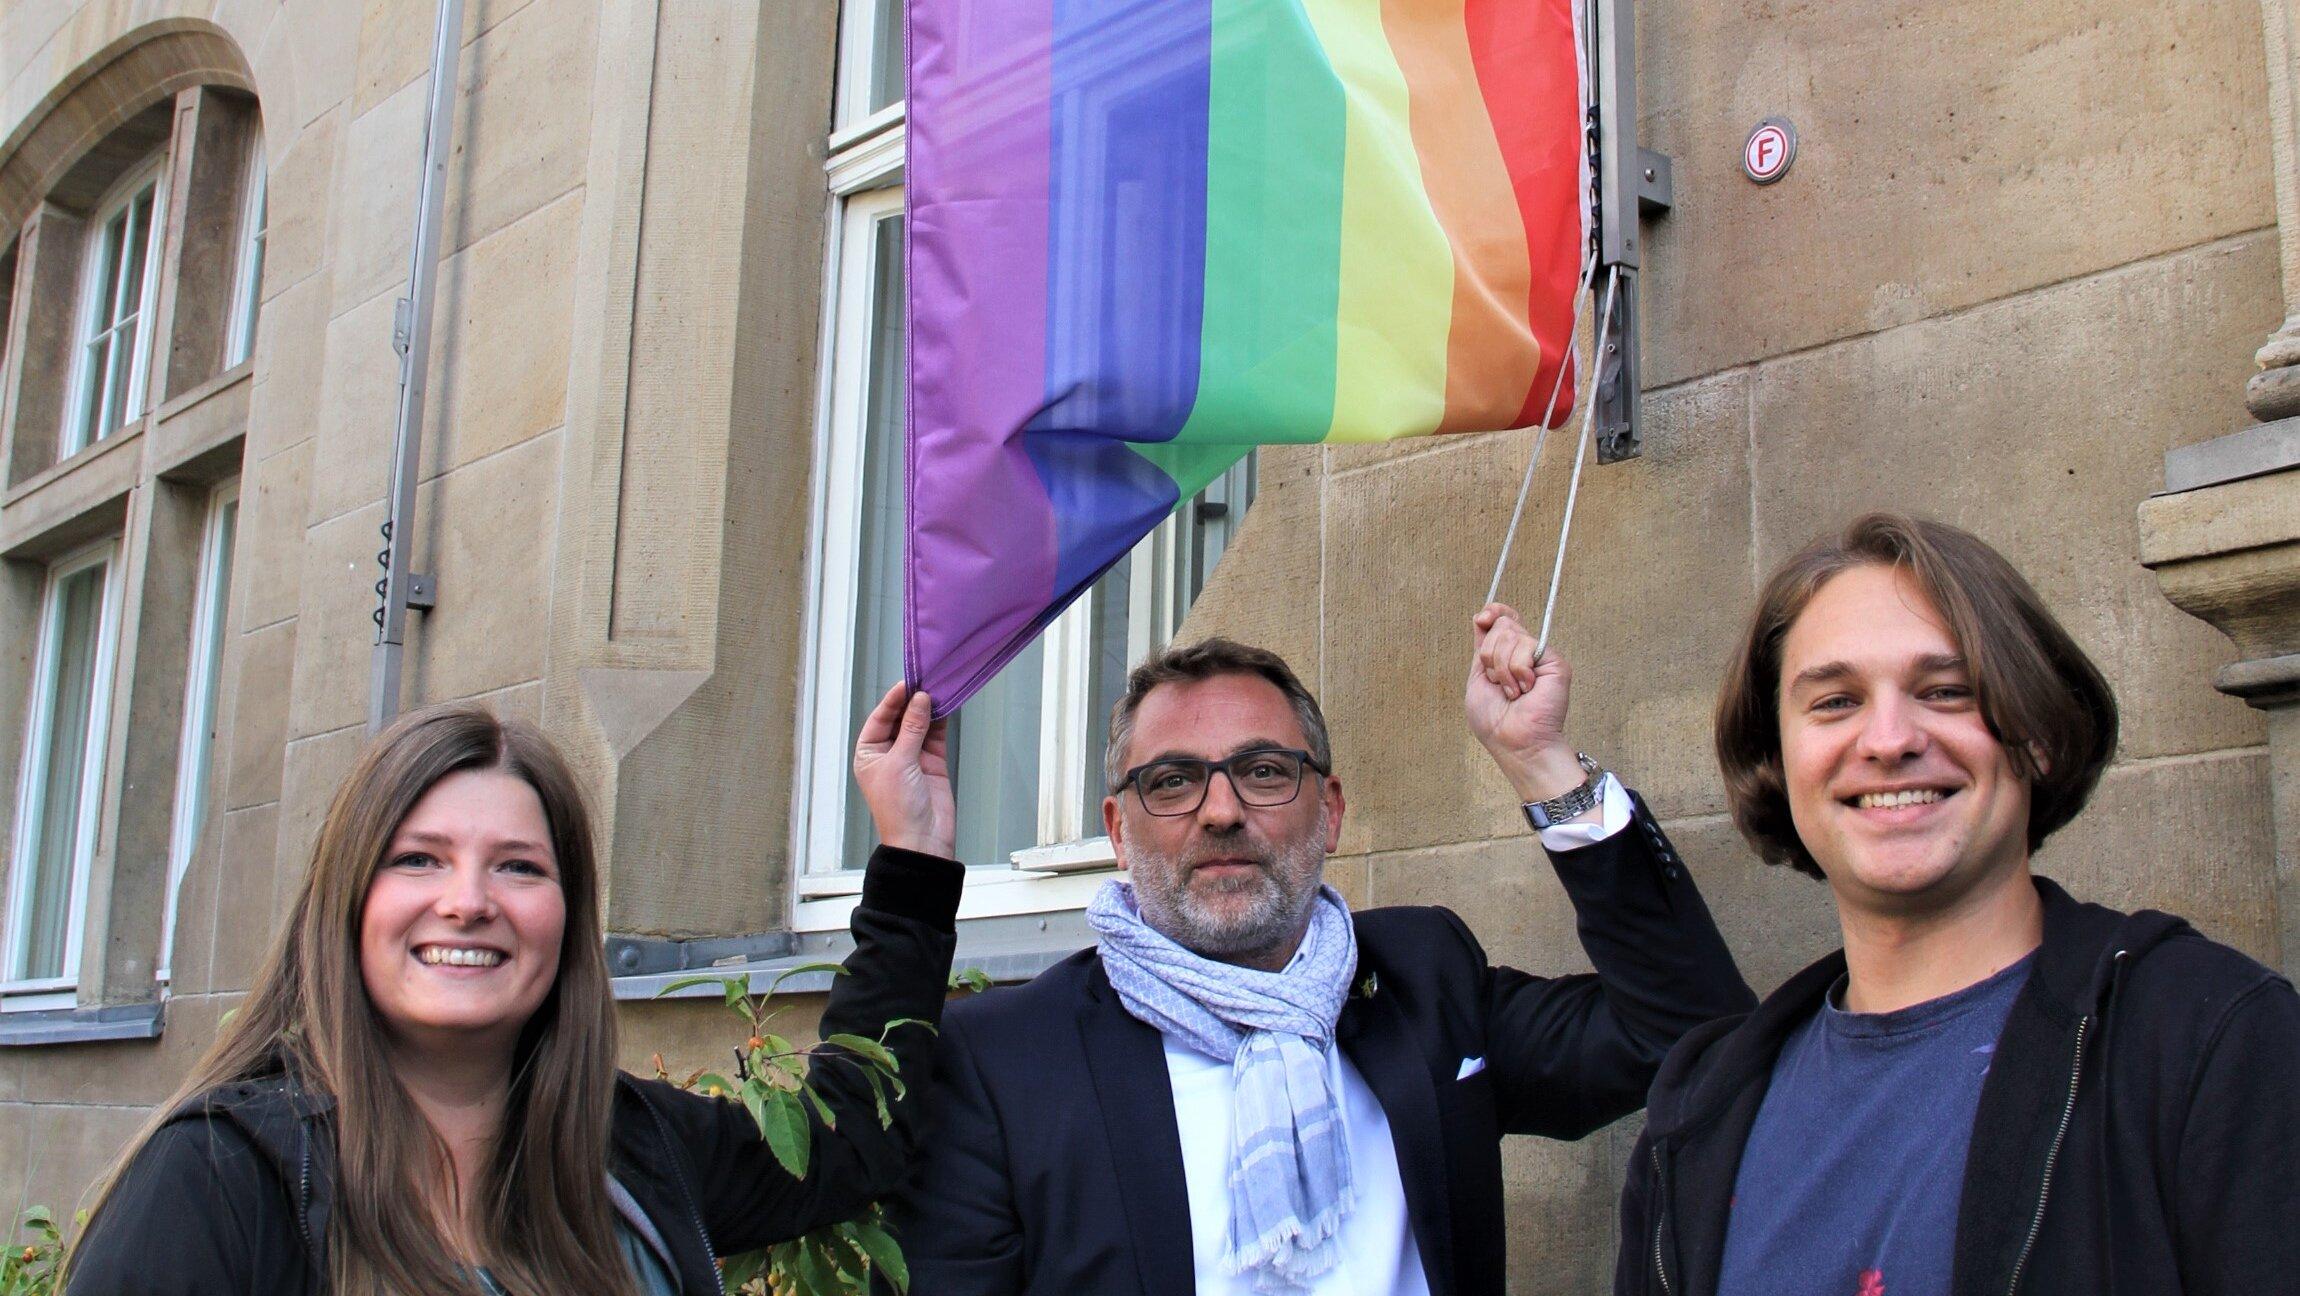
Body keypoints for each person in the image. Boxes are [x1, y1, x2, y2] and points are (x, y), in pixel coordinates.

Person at [892, 625, 1755, 1294]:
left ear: (1330, 812)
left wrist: (1542, 766)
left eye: (1265, 771)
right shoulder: (1001, 1059)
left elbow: (1687, 1030)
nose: (1222, 811)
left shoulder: (1424, 983)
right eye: (1172, 781)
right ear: (1119, 831)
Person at [66, 683, 962, 1296]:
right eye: (419, 859)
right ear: (347, 897)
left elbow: (850, 1141)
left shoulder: (631, 1152)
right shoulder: (223, 1180)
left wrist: (912, 858)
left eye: (519, 868)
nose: (468, 903)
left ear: (568, 917)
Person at [1614, 513, 2300, 1296]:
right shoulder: (1701, 1107)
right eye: (1835, 702)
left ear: (2037, 732)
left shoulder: (2205, 1037)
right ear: (1778, 760)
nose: (1889, 739)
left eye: (1945, 691)